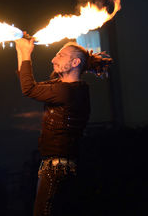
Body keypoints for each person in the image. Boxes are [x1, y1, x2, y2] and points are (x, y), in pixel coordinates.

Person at [15, 35, 112, 216]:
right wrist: (20, 51)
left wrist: (26, 53)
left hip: (57, 167)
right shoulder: (64, 87)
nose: (53, 59)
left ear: (75, 62)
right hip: (56, 166)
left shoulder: (69, 92)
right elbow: (28, 85)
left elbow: (28, 89)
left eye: (60, 55)